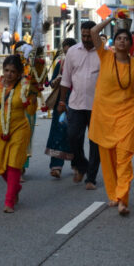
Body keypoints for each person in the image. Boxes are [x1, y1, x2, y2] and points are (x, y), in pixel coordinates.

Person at [88, 14, 134, 216]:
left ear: (130, 44)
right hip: (104, 116)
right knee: (108, 159)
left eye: (126, 39)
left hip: (127, 116)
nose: (122, 41)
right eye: (119, 38)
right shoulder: (105, 56)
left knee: (124, 157)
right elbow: (93, 32)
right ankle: (114, 195)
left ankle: (123, 199)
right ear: (114, 42)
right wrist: (111, 19)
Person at [0, 54, 40, 212]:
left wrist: (33, 99)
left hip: (19, 128)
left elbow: (30, 111)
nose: (9, 74)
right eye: (6, 70)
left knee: (13, 163)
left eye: (13, 71)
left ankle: (9, 202)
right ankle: (15, 187)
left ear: (19, 73)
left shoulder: (25, 86)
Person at [57, 21, 101, 189]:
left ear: (96, 35)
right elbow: (65, 79)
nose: (86, 39)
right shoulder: (73, 52)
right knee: (72, 136)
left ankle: (91, 178)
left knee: (95, 143)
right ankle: (82, 165)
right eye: (83, 36)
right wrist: (62, 101)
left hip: (98, 105)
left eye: (89, 36)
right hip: (76, 103)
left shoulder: (104, 53)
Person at [45, 38, 78, 177]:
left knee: (74, 134)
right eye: (65, 51)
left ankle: (77, 164)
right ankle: (56, 166)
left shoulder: (80, 63)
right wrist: (56, 80)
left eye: (70, 51)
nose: (67, 54)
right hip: (61, 102)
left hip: (77, 103)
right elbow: (51, 84)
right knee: (58, 132)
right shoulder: (61, 64)